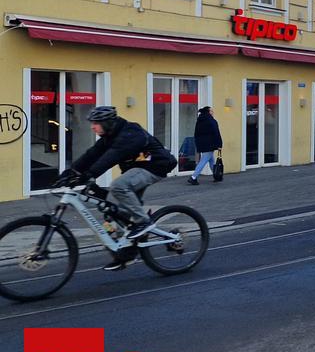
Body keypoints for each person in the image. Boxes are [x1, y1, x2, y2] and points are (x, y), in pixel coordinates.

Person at [55, 106, 177, 270]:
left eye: (96, 123)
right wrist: (71, 172)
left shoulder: (130, 133)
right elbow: (91, 154)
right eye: (92, 123)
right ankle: (126, 254)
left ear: (108, 123)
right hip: (135, 170)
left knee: (118, 186)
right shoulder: (109, 137)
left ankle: (143, 223)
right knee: (117, 216)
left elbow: (111, 157)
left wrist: (89, 174)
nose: (93, 127)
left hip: (155, 166)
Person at [188, 106, 222, 185]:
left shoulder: (199, 121)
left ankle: (216, 176)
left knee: (211, 160)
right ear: (208, 112)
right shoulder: (212, 121)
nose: (213, 112)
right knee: (203, 161)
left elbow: (196, 133)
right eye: (212, 111)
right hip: (210, 144)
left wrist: (198, 144)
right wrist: (219, 144)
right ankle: (193, 177)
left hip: (202, 144)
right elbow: (216, 133)